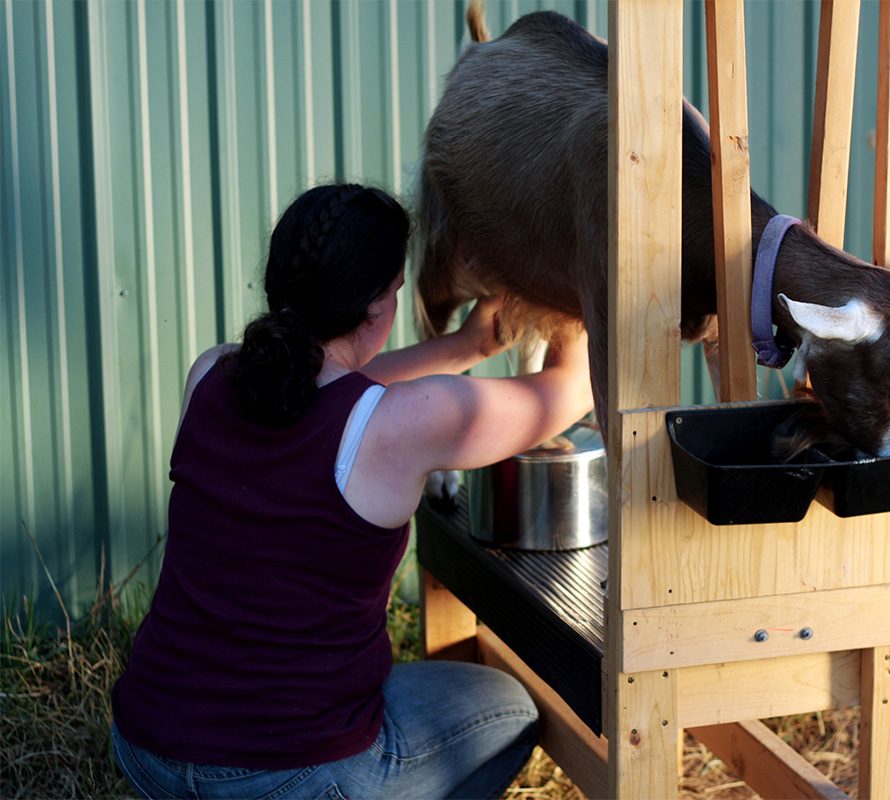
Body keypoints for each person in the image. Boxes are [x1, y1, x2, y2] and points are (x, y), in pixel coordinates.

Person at [109, 183, 593, 799]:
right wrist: (569, 269)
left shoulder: (212, 372)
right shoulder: (394, 427)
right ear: (374, 309)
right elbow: (569, 391)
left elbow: (329, 386)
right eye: (394, 292)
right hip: (282, 777)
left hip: (147, 744)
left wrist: (465, 347)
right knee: (509, 710)